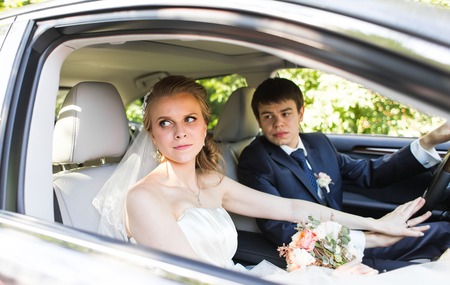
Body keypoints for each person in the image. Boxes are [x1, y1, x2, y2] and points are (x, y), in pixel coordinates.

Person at [93, 75, 444, 282]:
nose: (180, 133)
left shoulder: (211, 181)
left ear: (205, 126)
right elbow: (196, 278)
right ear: (152, 135)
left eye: (190, 119)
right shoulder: (144, 198)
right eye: (165, 123)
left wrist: (376, 224)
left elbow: (293, 207)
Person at [237, 77, 450, 272]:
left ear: (301, 113)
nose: (278, 123)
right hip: (326, 254)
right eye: (268, 116)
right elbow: (279, 227)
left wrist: (429, 140)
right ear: (258, 120)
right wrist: (365, 239)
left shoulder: (318, 143)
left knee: (443, 230)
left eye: (286, 113)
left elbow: (369, 173)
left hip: (355, 239)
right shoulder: (256, 160)